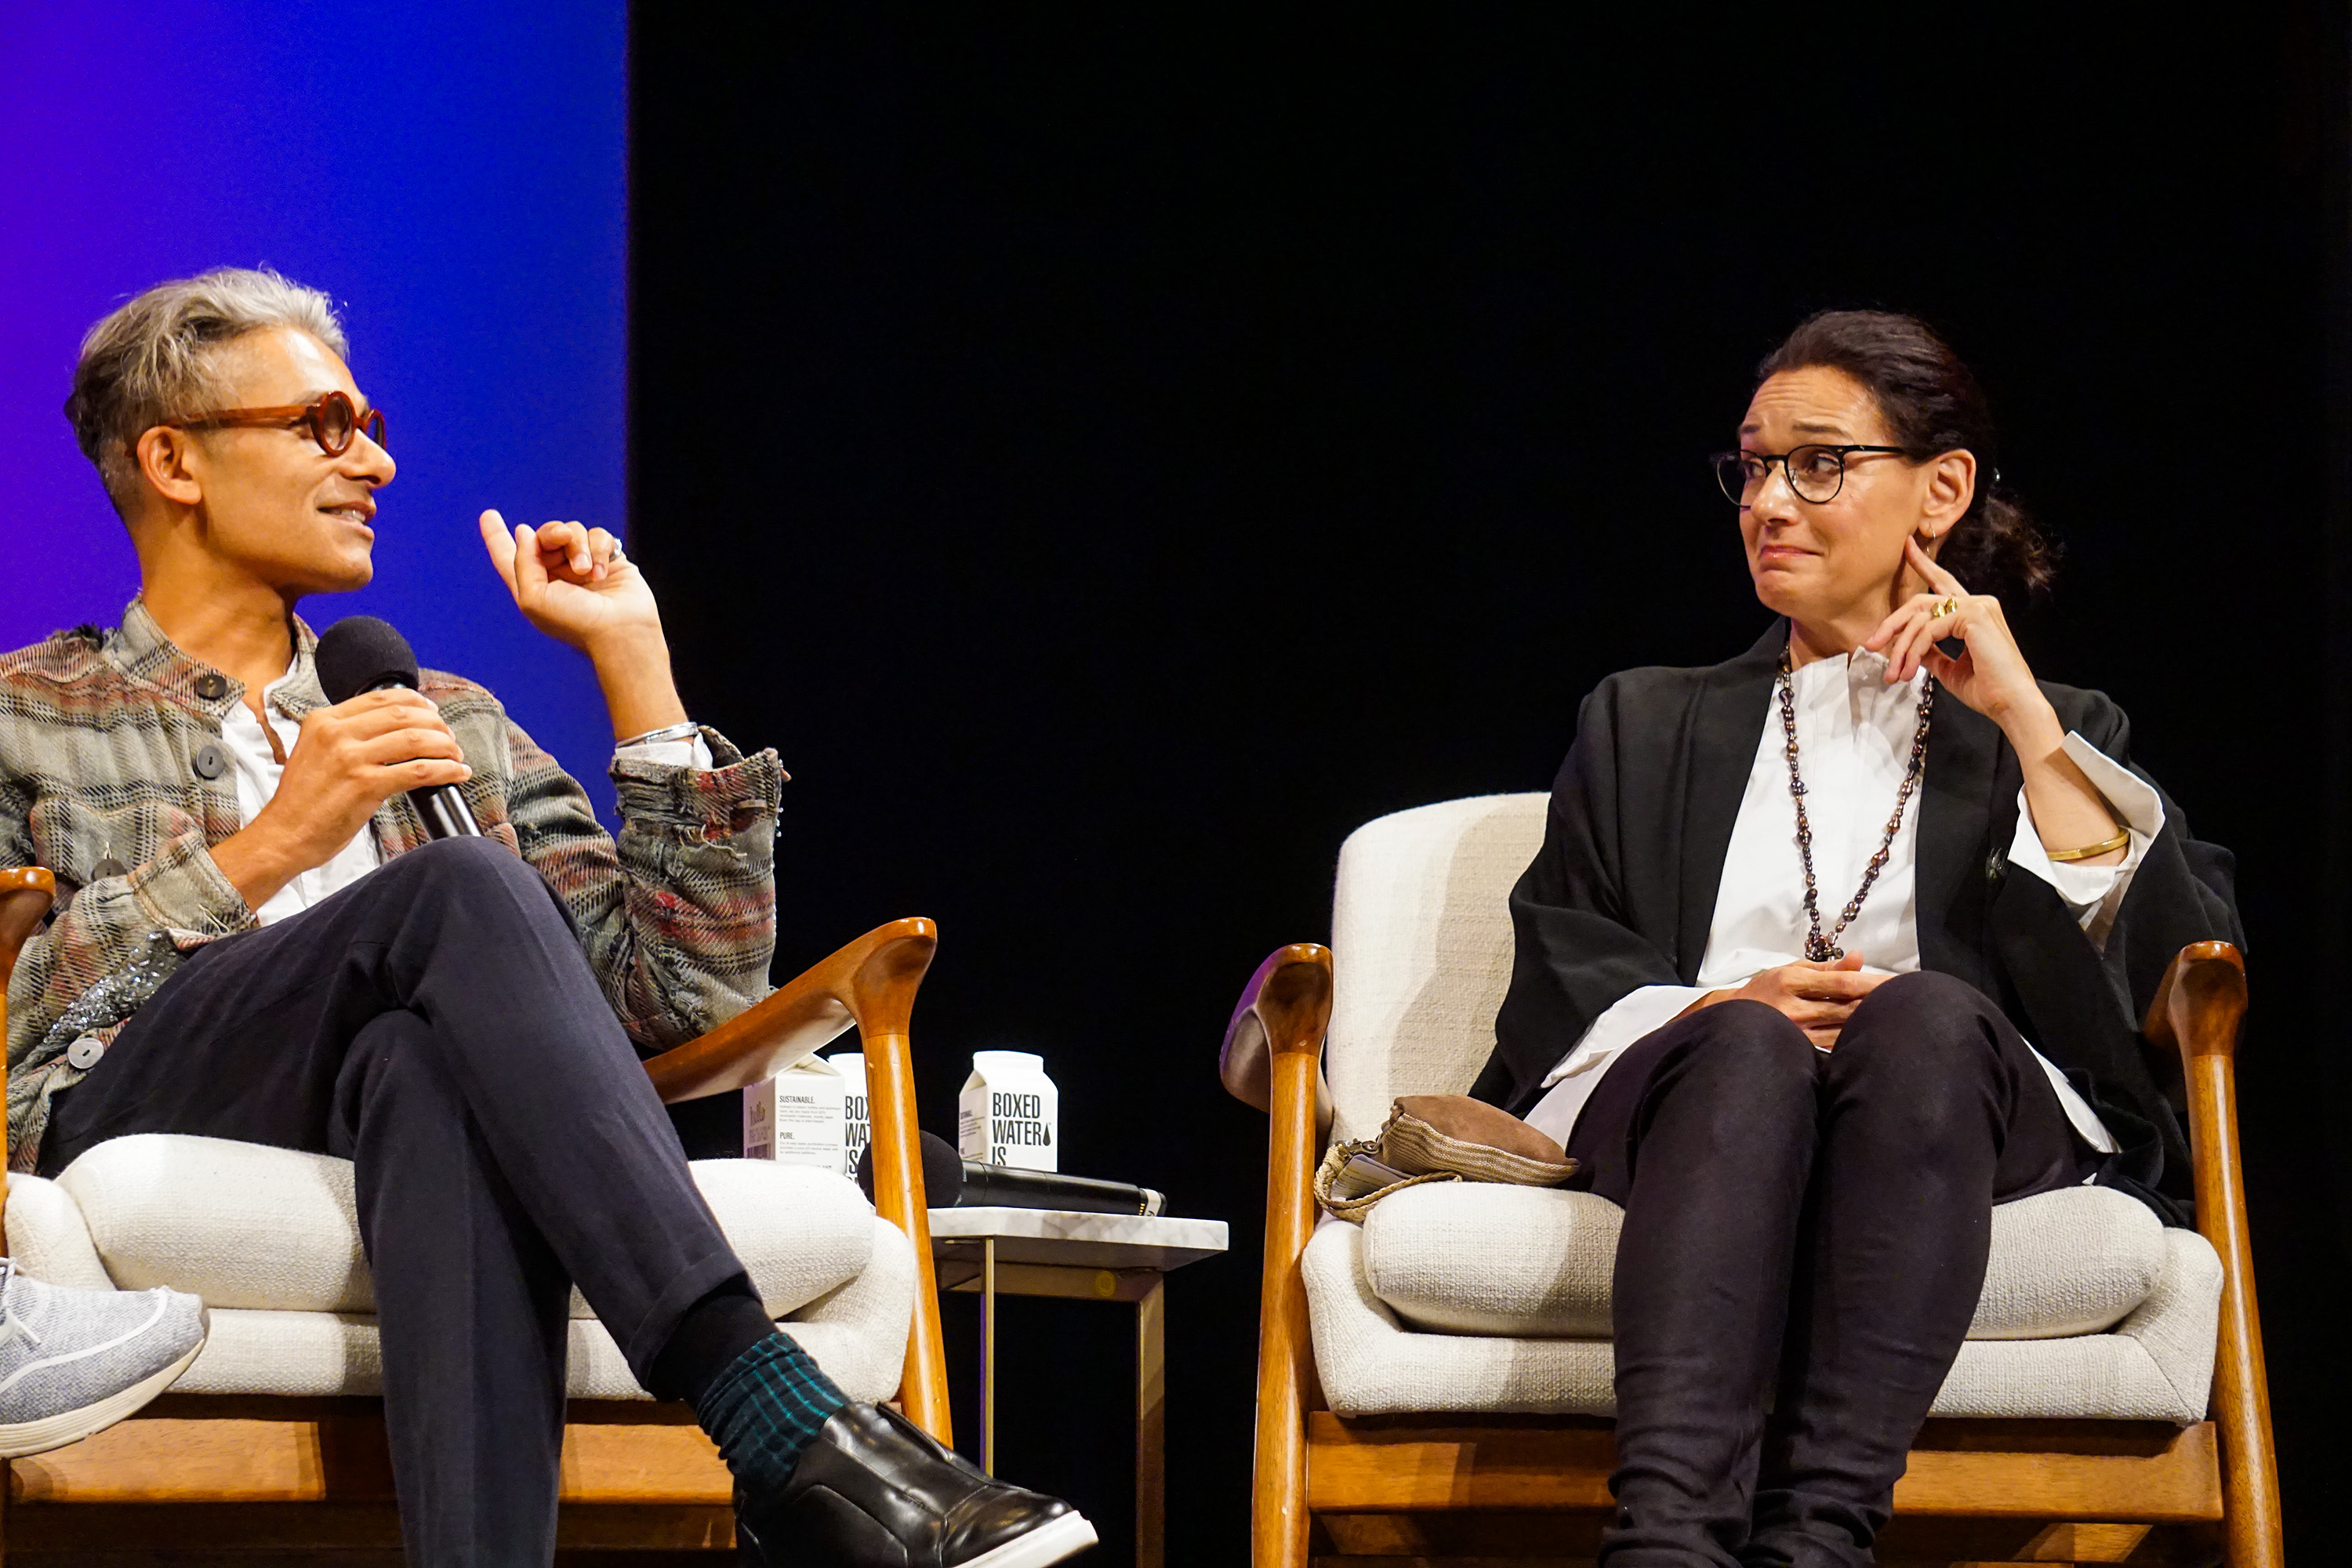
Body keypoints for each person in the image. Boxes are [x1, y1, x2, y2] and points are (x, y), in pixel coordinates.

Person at [4, 267, 1095, 1568]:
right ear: (173, 460)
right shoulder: (30, 712)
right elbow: (20, 1026)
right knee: (459, 887)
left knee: (424, 1066)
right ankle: (774, 1417)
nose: (383, 465)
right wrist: (265, 850)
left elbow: (673, 1005)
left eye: (375, 424)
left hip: (374, 1109)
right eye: (327, 425)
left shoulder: (446, 714)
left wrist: (636, 667)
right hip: (131, 1095)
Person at [1469, 309, 2238, 1568]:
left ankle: (1820, 1539)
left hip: (1948, 1110)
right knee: (1746, 1049)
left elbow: (2161, 977)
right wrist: (1722, 1008)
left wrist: (2027, 722)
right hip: (1699, 1101)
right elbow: (1566, 950)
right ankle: (1664, 1540)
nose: (1769, 501)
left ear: (1940, 492)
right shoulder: (1644, 724)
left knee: (1923, 1016)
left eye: (1817, 463)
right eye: (1753, 465)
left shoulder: (2050, 728)